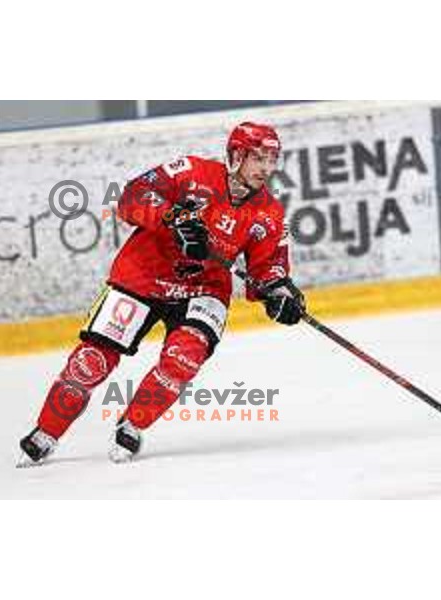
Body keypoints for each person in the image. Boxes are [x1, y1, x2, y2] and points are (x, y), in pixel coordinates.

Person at [18, 121, 306, 465]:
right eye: (258, 157)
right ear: (236, 155)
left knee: (184, 358)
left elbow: (267, 270)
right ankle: (46, 431)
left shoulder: (270, 214)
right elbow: (130, 196)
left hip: (204, 288)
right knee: (92, 361)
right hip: (143, 274)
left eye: (272, 159)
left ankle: (133, 424)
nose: (266, 168)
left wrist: (279, 292)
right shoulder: (192, 171)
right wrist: (173, 217)